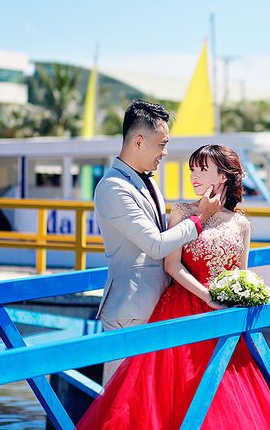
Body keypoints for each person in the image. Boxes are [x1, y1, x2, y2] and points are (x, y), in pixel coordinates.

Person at [78, 144, 270, 430]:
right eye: (192, 169)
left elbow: (241, 272)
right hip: (183, 307)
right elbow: (171, 265)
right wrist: (207, 296)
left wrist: (243, 294)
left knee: (225, 393)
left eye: (202, 169)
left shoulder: (241, 223)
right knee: (171, 392)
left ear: (223, 176)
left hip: (224, 317)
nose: (194, 176)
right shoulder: (181, 211)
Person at [94, 100, 223, 382]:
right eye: (162, 144)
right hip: (130, 311)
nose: (165, 152)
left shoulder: (147, 181)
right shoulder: (112, 187)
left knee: (148, 398)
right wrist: (200, 218)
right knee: (121, 399)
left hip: (157, 306)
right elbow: (156, 244)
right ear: (139, 141)